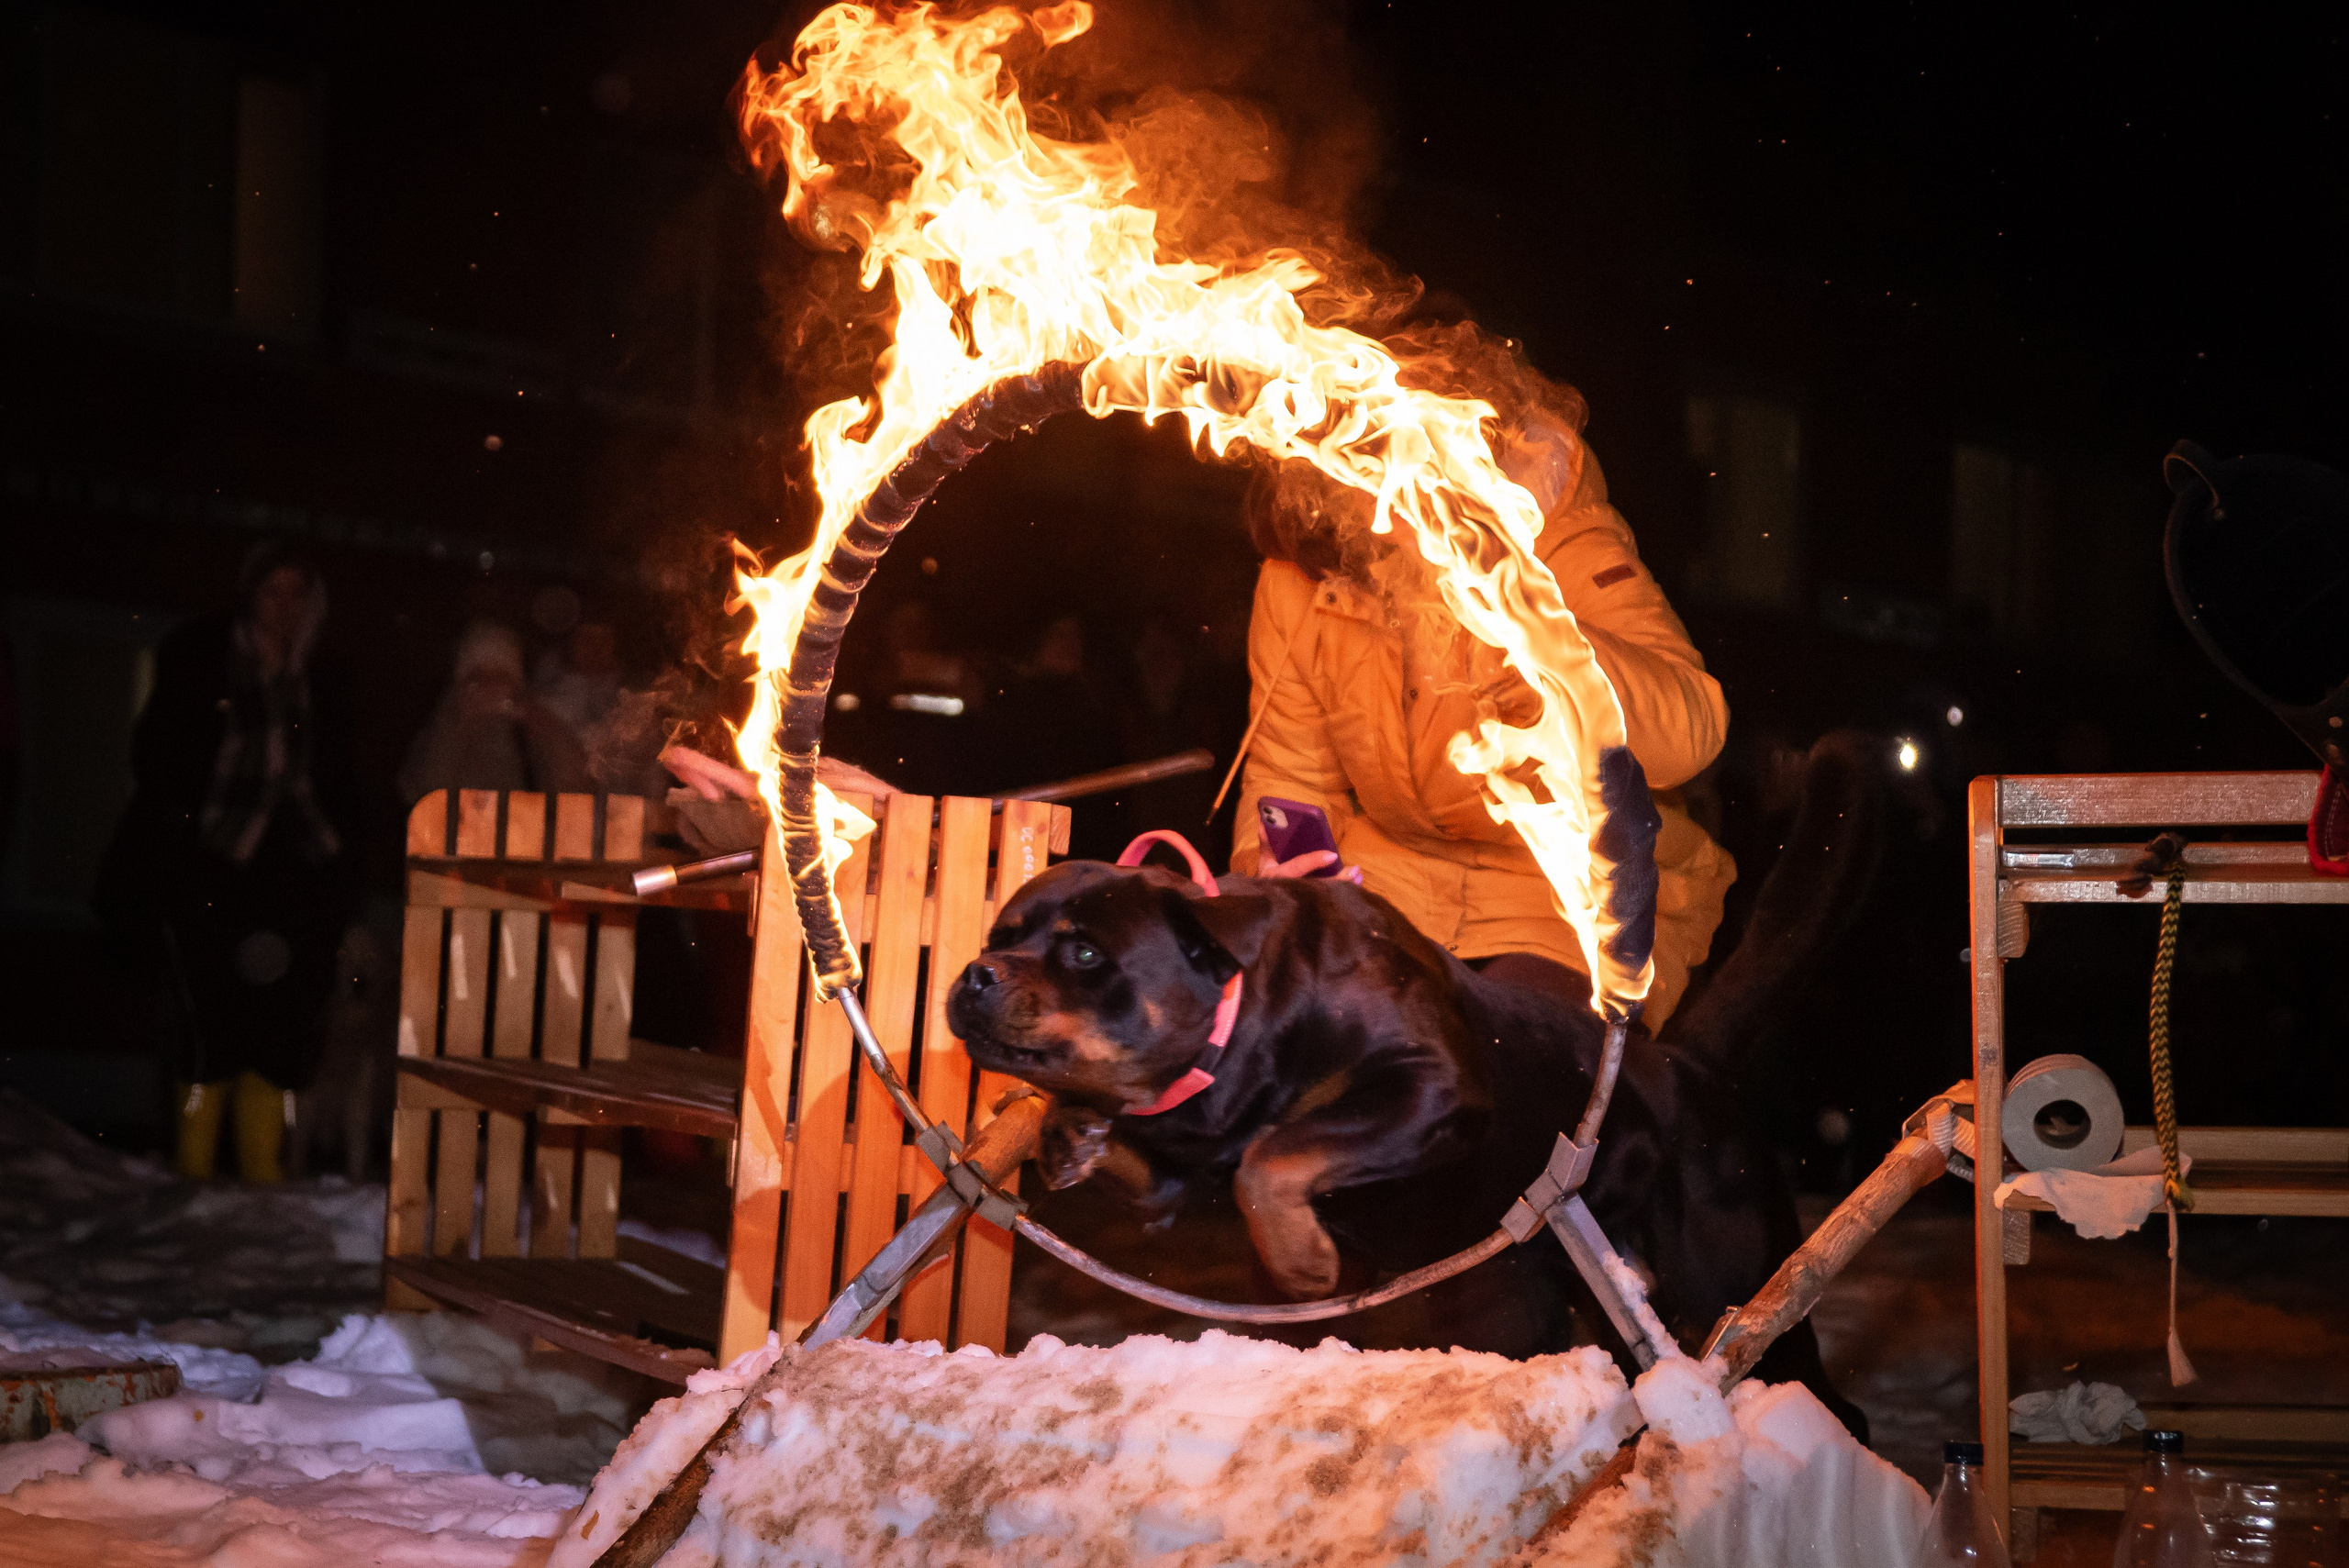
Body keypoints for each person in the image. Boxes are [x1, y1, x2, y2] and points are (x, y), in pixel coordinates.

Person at [1230, 400, 1733, 1029]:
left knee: (1493, 1055)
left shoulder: (1547, 526)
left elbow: (1691, 733)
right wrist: (1277, 875)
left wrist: (1529, 625)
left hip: (1568, 900)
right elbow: (1291, 773)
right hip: (1395, 886)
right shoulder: (1306, 565)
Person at [99, 542, 356, 1182]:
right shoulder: (204, 661)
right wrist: (181, 838)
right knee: (207, 1019)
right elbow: (159, 753)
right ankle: (192, 1171)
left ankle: (260, 1176)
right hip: (207, 860)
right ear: (250, 596)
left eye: (300, 593)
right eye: (275, 591)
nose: (287, 607)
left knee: (278, 1022)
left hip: (291, 861)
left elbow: (341, 777)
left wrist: (338, 858)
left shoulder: (319, 675)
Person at [397, 620, 594, 804]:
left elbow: (577, 793)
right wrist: (461, 726)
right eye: (478, 677)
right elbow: (423, 796)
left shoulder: (533, 724)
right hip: (457, 835)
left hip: (520, 834)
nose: (490, 686)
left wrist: (544, 727)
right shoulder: (441, 725)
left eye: (501, 676)